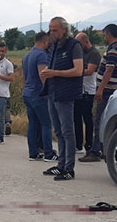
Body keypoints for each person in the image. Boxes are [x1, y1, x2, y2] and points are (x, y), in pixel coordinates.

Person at [40, 17, 83, 181]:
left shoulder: (73, 45)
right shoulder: (54, 46)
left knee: (67, 131)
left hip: (66, 94)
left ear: (64, 30)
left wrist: (54, 73)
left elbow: (78, 70)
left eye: (55, 30)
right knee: (58, 131)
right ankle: (61, 165)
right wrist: (47, 72)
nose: (52, 33)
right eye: (50, 30)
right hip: (52, 92)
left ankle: (69, 168)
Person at [89, 24, 117, 160]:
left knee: (99, 120)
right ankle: (105, 149)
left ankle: (95, 151)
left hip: (107, 90)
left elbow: (109, 70)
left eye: (104, 35)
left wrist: (100, 89)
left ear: (109, 34)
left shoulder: (113, 49)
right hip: (114, 89)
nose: (104, 37)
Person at [22, 31, 57, 161]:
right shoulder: (41, 55)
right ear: (44, 41)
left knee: (32, 123)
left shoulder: (27, 55)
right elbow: (43, 75)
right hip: (38, 94)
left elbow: (24, 76)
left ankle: (33, 153)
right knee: (46, 124)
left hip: (27, 93)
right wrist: (49, 91)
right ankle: (48, 153)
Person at [74, 32, 102, 160]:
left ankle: (89, 145)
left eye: (79, 43)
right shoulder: (80, 53)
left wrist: (75, 72)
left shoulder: (94, 54)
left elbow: (90, 71)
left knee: (87, 119)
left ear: (86, 41)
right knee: (76, 118)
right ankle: (78, 144)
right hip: (79, 89)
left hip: (88, 91)